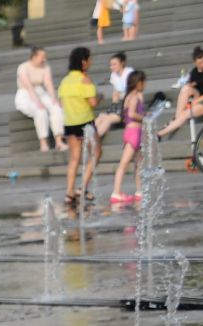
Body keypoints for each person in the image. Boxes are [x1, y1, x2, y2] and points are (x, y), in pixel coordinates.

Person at [61, 47, 102, 209]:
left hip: (69, 123)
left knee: (74, 158)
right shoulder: (85, 80)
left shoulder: (65, 81)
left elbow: (61, 102)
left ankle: (69, 192)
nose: (91, 62)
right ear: (83, 62)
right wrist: (99, 97)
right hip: (85, 122)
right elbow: (92, 103)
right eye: (89, 59)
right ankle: (82, 187)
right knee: (97, 152)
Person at [17, 48, 68, 152]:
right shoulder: (23, 67)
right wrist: (37, 102)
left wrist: (54, 99)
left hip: (41, 92)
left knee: (56, 108)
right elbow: (28, 86)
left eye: (45, 57)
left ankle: (59, 141)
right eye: (42, 57)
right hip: (25, 93)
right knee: (40, 111)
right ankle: (43, 143)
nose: (44, 59)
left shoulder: (46, 67)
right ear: (34, 57)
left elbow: (48, 84)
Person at [111, 70, 148, 205]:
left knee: (139, 164)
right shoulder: (134, 97)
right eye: (143, 82)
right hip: (134, 132)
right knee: (124, 164)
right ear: (138, 83)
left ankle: (139, 191)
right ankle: (116, 192)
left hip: (132, 132)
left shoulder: (130, 96)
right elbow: (132, 114)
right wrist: (145, 117)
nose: (145, 85)